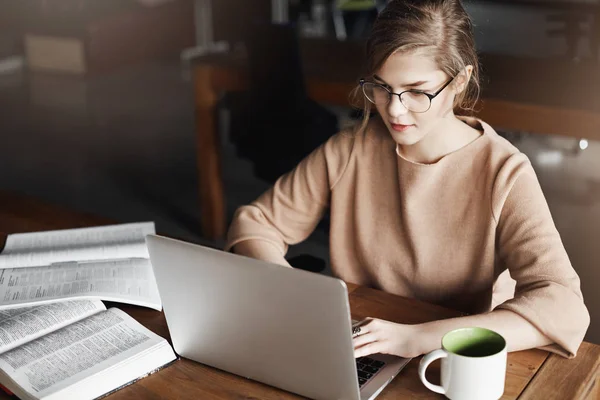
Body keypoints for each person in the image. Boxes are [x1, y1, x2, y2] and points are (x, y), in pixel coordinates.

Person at [225, 0, 590, 359]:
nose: (395, 109)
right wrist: (299, 295)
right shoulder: (349, 150)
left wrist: (417, 339)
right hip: (362, 343)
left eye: (417, 91)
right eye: (382, 87)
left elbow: (564, 308)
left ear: (460, 81)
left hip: (456, 355)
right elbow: (255, 224)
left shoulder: (505, 172)